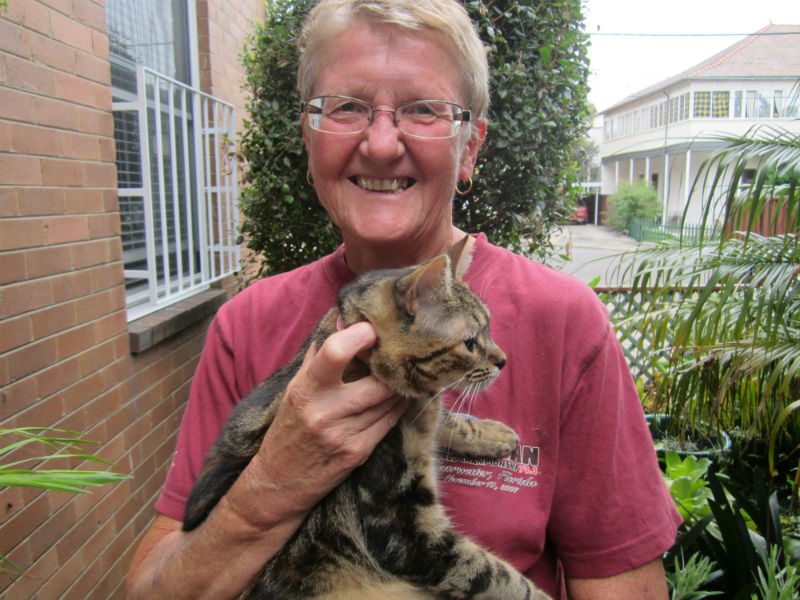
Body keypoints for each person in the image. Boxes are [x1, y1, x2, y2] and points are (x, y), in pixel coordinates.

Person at [126, 1, 681, 598]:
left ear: (469, 148)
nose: (382, 144)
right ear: (309, 139)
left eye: (423, 110)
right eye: (346, 107)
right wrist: (273, 482)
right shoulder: (246, 324)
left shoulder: (565, 321)